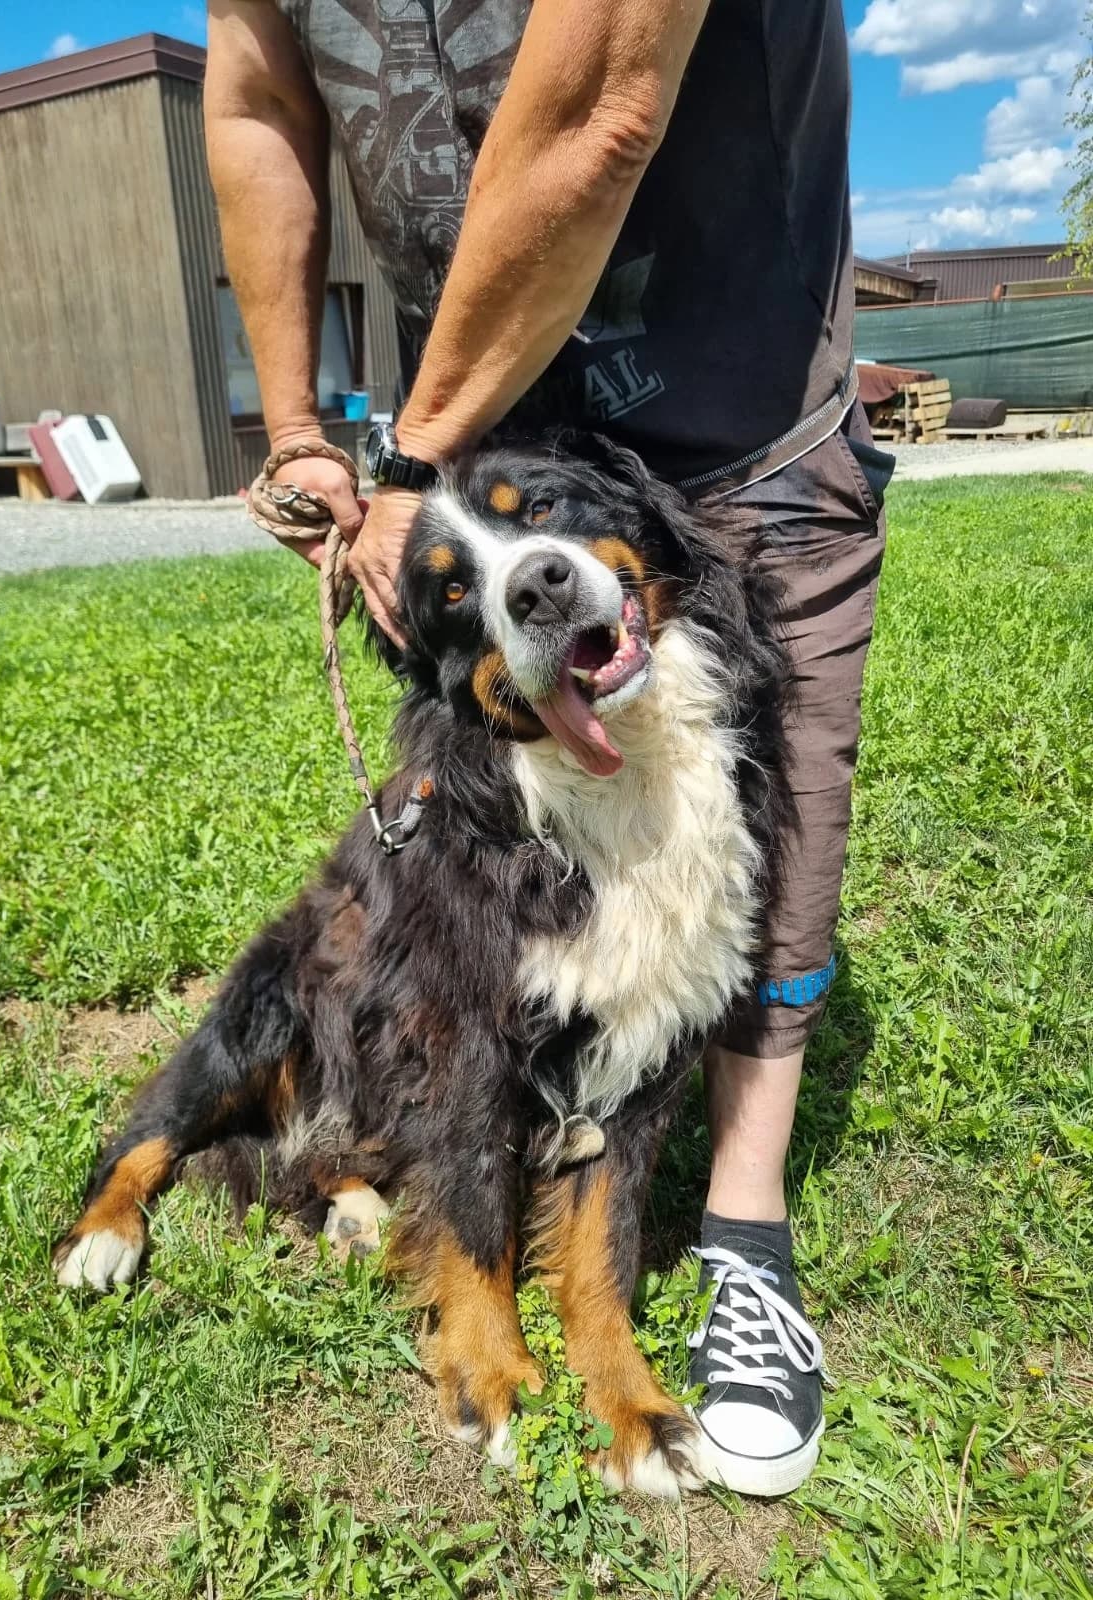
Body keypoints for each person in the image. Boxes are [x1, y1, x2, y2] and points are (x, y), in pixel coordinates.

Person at [205, 0, 887, 1497]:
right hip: (483, 405)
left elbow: (600, 114)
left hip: (729, 401)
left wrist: (407, 455)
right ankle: (468, 1214)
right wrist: (301, 427)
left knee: (764, 858)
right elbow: (255, 98)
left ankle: (744, 1227)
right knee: (475, 918)